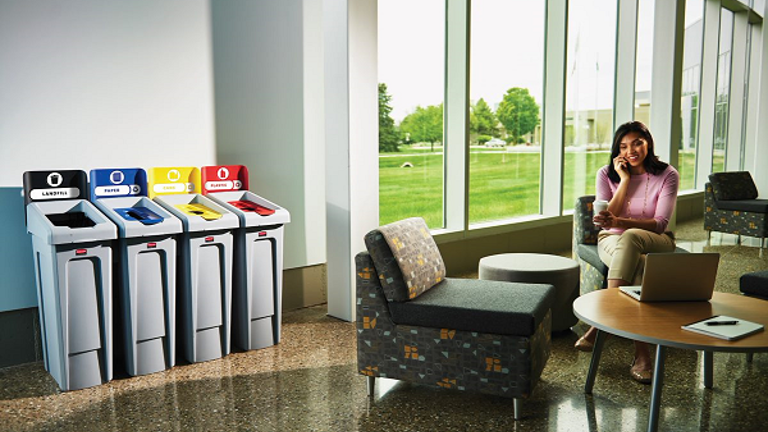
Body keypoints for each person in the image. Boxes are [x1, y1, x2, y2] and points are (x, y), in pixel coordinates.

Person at [574, 120, 679, 384]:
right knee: (640, 266)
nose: (631, 150)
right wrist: (624, 180)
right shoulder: (606, 174)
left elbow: (659, 224)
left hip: (658, 240)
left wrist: (619, 223)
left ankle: (600, 324)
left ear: (648, 143)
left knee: (632, 237)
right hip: (612, 240)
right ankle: (642, 354)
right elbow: (609, 216)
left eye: (637, 143)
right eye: (623, 146)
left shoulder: (668, 174)